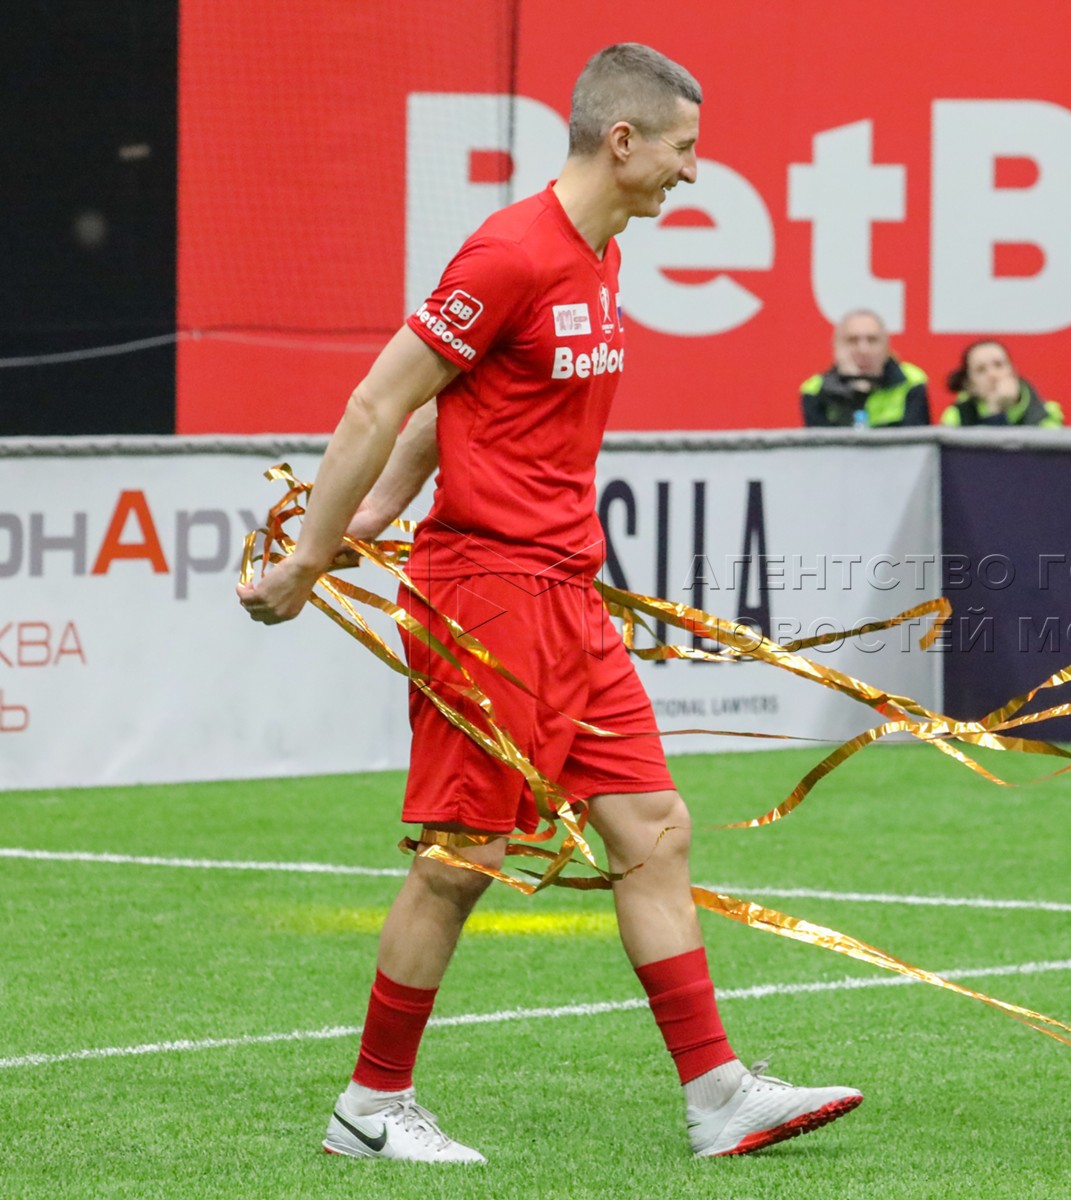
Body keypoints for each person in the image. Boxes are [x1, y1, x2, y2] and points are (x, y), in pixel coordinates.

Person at [236, 43, 860, 1163]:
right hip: (489, 598)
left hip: (566, 594)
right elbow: (379, 402)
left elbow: (453, 403)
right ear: (623, 142)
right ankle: (370, 1108)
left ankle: (718, 1095)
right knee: (458, 858)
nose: (692, 171)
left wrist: (376, 512)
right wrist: (311, 560)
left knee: (655, 831)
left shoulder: (599, 254)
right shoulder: (511, 253)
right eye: (682, 149)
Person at [799, 309, 930, 428]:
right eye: (852, 340)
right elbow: (825, 445)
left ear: (886, 347)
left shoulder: (911, 382)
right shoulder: (815, 390)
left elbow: (916, 443)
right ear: (837, 347)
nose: (863, 350)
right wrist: (851, 394)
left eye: (872, 340)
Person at [938, 339, 1063, 428]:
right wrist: (994, 412)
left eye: (999, 365)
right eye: (981, 370)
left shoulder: (1046, 413)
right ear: (970, 385)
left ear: (1013, 371)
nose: (992, 375)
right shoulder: (957, 416)